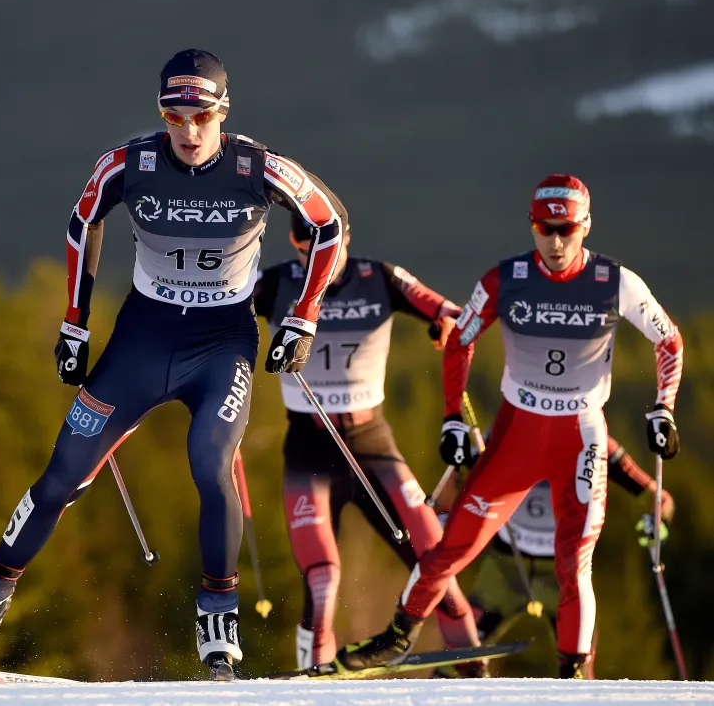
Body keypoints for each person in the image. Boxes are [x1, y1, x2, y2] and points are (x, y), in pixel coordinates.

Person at [0, 49, 346, 681]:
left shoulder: (258, 166)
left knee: (210, 463)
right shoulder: (130, 162)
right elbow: (84, 223)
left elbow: (329, 228)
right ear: (162, 113)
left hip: (222, 343)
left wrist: (302, 318)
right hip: (143, 338)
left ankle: (217, 615)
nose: (188, 133)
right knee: (61, 475)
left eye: (201, 117)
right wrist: (74, 323)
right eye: (175, 116)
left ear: (223, 112)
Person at [328, 173, 684, 679]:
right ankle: (395, 639)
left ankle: (573, 673)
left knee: (573, 563)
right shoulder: (505, 279)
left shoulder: (615, 282)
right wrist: (454, 414)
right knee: (452, 548)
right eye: (544, 229)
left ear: (586, 226)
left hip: (581, 435)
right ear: (532, 226)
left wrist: (663, 408)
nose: (556, 242)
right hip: (518, 435)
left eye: (566, 229)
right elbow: (460, 339)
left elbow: (668, 341)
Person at [251, 186, 487, 674]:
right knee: (322, 580)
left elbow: (455, 314)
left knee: (435, 562)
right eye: (305, 250)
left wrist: (446, 323)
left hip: (372, 443)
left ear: (345, 237)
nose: (319, 260)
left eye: (327, 247)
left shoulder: (378, 277)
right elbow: (211, 320)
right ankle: (312, 680)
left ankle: (473, 675)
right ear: (295, 246)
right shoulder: (273, 284)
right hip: (310, 449)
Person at [465, 436, 675, 678]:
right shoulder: (515, 424)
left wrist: (659, 521)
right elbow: (460, 476)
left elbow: (660, 498)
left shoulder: (596, 439)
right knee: (456, 656)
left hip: (563, 574)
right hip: (505, 571)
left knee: (578, 674)